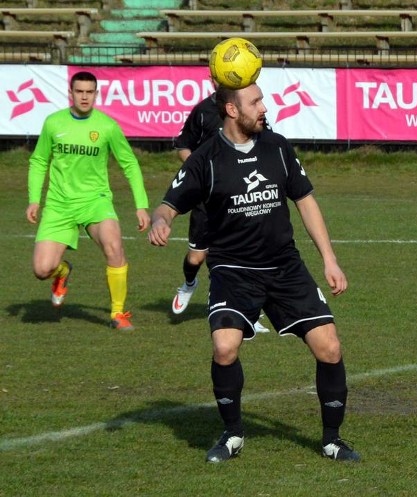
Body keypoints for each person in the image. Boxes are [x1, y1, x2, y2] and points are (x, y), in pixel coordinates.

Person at [148, 82, 359, 463]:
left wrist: (329, 258)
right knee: (224, 347)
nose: (264, 107)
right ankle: (232, 434)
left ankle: (333, 440)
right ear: (232, 110)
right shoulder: (206, 157)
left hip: (284, 267)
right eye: (256, 101)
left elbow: (305, 201)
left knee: (330, 347)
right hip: (233, 270)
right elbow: (169, 203)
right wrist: (160, 222)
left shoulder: (277, 146)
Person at [27, 70, 150, 331]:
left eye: (89, 92)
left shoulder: (107, 126)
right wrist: (33, 199)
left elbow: (129, 163)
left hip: (96, 201)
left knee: (114, 246)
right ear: (70, 94)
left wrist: (141, 205)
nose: (84, 97)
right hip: (59, 204)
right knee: (41, 269)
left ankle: (118, 313)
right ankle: (62, 272)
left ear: (96, 94)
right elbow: (39, 161)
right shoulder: (53, 123)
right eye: (79, 92)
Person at [172, 86, 269, 333]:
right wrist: (200, 171)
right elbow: (183, 144)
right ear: (213, 77)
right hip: (207, 198)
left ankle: (248, 313)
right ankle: (189, 283)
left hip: (241, 195)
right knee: (196, 257)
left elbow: (264, 143)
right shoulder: (203, 111)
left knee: (245, 251)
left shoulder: (249, 110)